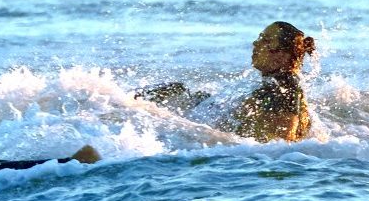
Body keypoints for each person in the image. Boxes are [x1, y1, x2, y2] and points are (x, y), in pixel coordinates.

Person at [135, 21, 317, 142]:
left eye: (265, 41)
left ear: (282, 56)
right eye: (259, 38)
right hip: (204, 115)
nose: (255, 44)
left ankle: (127, 103)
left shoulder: (284, 89)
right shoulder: (279, 85)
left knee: (167, 96)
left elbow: (281, 143)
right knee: (178, 90)